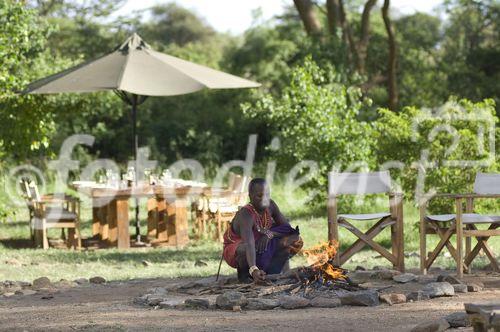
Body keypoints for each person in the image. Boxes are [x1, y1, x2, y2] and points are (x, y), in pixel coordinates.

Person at [223, 178, 303, 282]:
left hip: (261, 244)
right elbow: (249, 243)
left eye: (267, 194)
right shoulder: (246, 214)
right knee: (243, 249)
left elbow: (287, 228)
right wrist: (253, 268)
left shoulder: (271, 205)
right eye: (259, 196)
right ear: (250, 196)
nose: (264, 199)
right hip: (239, 249)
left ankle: (271, 273)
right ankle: (245, 276)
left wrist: (269, 234)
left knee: (295, 239)